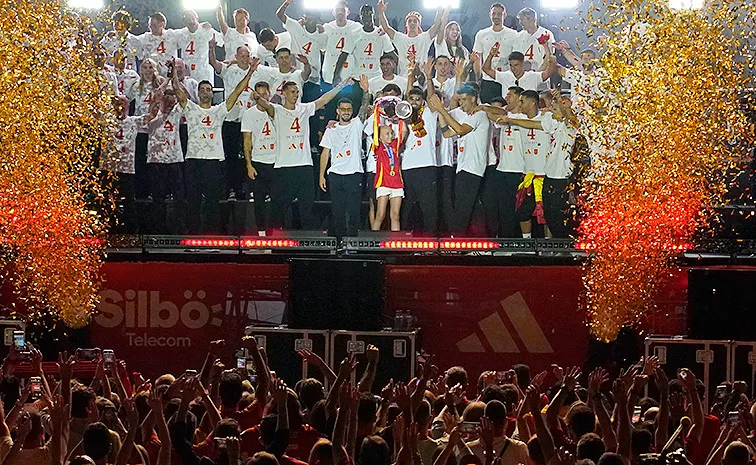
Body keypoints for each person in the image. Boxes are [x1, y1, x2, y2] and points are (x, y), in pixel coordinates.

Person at [172, 56, 260, 234]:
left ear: (212, 93)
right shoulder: (191, 108)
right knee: (193, 199)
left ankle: (212, 235)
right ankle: (193, 236)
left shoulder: (218, 110)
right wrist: (173, 71)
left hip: (213, 161)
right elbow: (177, 90)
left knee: (212, 200)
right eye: (202, 89)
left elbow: (236, 92)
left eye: (208, 89)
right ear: (198, 93)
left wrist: (250, 73)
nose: (205, 92)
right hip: (194, 159)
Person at [254, 78, 356, 230]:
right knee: (279, 207)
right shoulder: (278, 110)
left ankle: (309, 242)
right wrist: (256, 97)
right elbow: (266, 104)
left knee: (307, 207)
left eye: (297, 92)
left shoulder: (304, 108)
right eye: (292, 92)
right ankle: (272, 241)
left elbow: (324, 99)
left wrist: (341, 86)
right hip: (285, 167)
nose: (296, 95)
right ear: (284, 94)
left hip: (304, 166)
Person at [428, 85, 490, 235]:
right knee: (471, 208)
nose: (461, 103)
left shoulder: (479, 115)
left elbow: (460, 130)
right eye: (459, 100)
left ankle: (457, 241)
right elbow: (447, 133)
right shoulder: (468, 118)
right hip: (463, 167)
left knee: (463, 208)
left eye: (463, 100)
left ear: (473, 99)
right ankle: (478, 241)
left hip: (472, 168)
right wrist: (440, 112)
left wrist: (443, 110)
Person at [499, 90, 554, 238]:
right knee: (522, 213)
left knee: (546, 215)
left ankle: (548, 247)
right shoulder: (519, 117)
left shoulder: (547, 117)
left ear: (533, 103)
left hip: (544, 176)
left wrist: (512, 121)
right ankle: (527, 242)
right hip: (528, 176)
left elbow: (535, 125)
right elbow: (499, 115)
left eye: (522, 101)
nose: (519, 104)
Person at [319, 83, 371, 238]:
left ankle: (353, 242)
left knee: (354, 211)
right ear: (338, 111)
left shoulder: (356, 124)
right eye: (343, 109)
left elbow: (364, 108)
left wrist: (366, 91)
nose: (346, 112)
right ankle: (340, 242)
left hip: (353, 174)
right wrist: (321, 175)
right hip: (335, 175)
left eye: (349, 109)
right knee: (338, 211)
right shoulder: (331, 129)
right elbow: (325, 153)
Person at [210, 40, 258, 199]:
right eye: (242, 55)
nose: (244, 58)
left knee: (250, 156)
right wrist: (212, 48)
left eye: (247, 55)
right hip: (231, 121)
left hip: (250, 123)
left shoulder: (258, 71)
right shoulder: (229, 69)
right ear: (236, 56)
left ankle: (249, 189)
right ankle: (232, 188)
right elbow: (213, 63)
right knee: (230, 157)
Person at [399, 59, 440, 236]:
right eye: (412, 99)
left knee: (429, 208)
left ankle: (430, 242)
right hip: (407, 167)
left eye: (418, 99)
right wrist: (410, 77)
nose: (414, 101)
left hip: (426, 167)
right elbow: (405, 101)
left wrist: (428, 78)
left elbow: (432, 98)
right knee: (405, 207)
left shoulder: (429, 114)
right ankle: (402, 240)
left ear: (422, 102)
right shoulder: (403, 116)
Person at [480, 86, 525, 237]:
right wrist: (481, 109)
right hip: (502, 169)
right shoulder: (506, 116)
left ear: (520, 99)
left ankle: (518, 242)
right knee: (502, 208)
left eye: (510, 95)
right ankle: (504, 242)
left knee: (516, 209)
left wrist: (482, 108)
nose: (507, 97)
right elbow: (495, 116)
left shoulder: (526, 119)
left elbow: (500, 115)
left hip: (519, 170)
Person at [143, 89, 186, 234]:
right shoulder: (155, 114)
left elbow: (184, 98)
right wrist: (159, 104)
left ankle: (179, 228)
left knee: (178, 198)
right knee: (158, 198)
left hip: (174, 159)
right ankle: (158, 230)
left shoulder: (176, 113)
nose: (169, 103)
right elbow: (149, 123)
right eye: (166, 100)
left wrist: (173, 79)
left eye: (171, 100)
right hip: (156, 160)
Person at [123, 58, 166, 201]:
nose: (148, 70)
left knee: (155, 162)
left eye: (150, 67)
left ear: (155, 69)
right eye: (145, 67)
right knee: (140, 160)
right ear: (141, 70)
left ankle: (157, 192)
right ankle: (140, 191)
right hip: (140, 129)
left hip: (155, 128)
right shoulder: (136, 86)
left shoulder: (160, 85)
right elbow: (126, 101)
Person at [101, 96, 143, 234]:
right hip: (108, 168)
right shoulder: (106, 120)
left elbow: (152, 115)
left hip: (127, 169)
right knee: (106, 200)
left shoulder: (134, 121)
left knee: (128, 202)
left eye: (123, 103)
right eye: (117, 103)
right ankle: (106, 229)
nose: (120, 106)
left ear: (128, 106)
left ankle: (131, 231)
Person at [364, 84, 403, 229]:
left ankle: (393, 241)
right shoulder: (375, 120)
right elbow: (369, 130)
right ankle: (374, 239)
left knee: (394, 214)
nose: (389, 104)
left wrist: (398, 111)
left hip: (393, 176)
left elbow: (401, 133)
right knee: (376, 207)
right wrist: (378, 110)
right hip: (376, 171)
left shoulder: (397, 121)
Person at [242, 81, 278, 233]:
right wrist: (249, 165)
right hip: (258, 162)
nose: (263, 97)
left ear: (270, 94)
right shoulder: (248, 114)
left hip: (276, 162)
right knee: (259, 201)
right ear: (254, 96)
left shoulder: (277, 111)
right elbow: (247, 141)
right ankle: (261, 233)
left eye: (265, 94)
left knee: (277, 200)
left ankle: (275, 231)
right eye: (259, 94)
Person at [377, 0, 446, 75]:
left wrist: (439, 12)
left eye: (415, 21)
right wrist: (381, 12)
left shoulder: (424, 38)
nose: (412, 23)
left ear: (418, 24)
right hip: (404, 79)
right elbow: (386, 28)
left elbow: (436, 27)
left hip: (421, 81)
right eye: (409, 21)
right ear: (406, 24)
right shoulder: (400, 38)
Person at [277, 0, 327, 103]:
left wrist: (322, 31)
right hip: (296, 77)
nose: (310, 20)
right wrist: (286, 3)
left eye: (313, 18)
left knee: (312, 112)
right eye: (308, 17)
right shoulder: (296, 27)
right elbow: (280, 15)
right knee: (294, 109)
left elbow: (323, 49)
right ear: (304, 17)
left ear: (318, 20)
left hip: (313, 79)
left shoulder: (322, 35)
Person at [473, 3, 519, 103]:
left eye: (499, 14)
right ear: (490, 14)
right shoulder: (481, 34)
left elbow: (517, 58)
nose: (496, 16)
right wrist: (478, 78)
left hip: (506, 79)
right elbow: (477, 57)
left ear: (504, 15)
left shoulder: (514, 34)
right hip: (488, 79)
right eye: (494, 14)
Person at [372, 122, 408, 231]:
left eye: (391, 133)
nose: (390, 136)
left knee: (395, 216)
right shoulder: (377, 147)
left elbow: (404, 131)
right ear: (380, 137)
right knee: (380, 215)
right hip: (383, 183)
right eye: (387, 134)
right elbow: (375, 130)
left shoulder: (395, 146)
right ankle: (372, 242)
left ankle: (395, 243)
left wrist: (401, 114)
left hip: (397, 184)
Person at [176, 10, 223, 85]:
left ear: (197, 18)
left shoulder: (207, 31)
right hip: (187, 74)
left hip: (204, 74)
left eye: (192, 18)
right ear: (184, 22)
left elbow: (222, 41)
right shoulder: (180, 34)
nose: (191, 21)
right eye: (187, 19)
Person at [483, 46, 557, 94]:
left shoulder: (533, 76)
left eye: (516, 65)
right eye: (511, 65)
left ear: (522, 64)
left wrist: (552, 62)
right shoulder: (505, 76)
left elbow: (548, 73)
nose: (513, 69)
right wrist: (490, 55)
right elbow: (486, 69)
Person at [353, 5, 395, 80]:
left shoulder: (381, 34)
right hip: (357, 77)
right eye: (364, 15)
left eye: (369, 14)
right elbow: (346, 54)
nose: (366, 17)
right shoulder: (355, 34)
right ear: (360, 17)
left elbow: (391, 53)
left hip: (376, 76)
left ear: (374, 15)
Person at [137, 12, 178, 77]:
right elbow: (132, 40)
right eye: (150, 26)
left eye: (154, 25)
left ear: (162, 24)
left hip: (169, 76)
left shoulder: (172, 35)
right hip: (151, 77)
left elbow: (186, 32)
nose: (151, 28)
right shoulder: (145, 38)